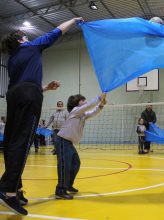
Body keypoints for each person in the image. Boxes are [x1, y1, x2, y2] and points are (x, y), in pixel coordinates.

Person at [0, 17, 84, 216]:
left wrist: (44, 87)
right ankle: (8, 192)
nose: (29, 37)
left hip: (13, 98)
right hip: (29, 97)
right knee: (22, 143)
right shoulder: (30, 47)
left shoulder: (13, 60)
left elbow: (22, 84)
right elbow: (56, 31)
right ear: (21, 40)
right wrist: (73, 19)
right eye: (26, 36)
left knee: (12, 143)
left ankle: (16, 188)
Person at [55, 93, 106, 199]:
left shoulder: (82, 114)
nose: (85, 101)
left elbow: (93, 112)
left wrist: (101, 105)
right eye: (83, 100)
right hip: (63, 141)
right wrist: (99, 98)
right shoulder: (75, 111)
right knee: (65, 166)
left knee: (76, 163)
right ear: (77, 103)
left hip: (69, 143)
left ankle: (68, 185)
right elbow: (88, 106)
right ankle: (60, 190)